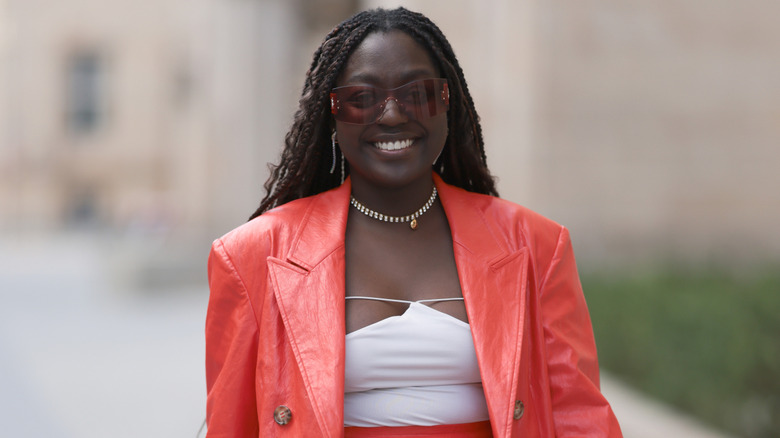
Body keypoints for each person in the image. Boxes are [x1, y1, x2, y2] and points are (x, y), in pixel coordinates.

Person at [205, 7, 622, 438]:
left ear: (447, 103)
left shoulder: (536, 245)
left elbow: (581, 417)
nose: (391, 115)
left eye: (417, 93)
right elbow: (231, 427)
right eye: (361, 98)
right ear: (332, 116)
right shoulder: (251, 257)